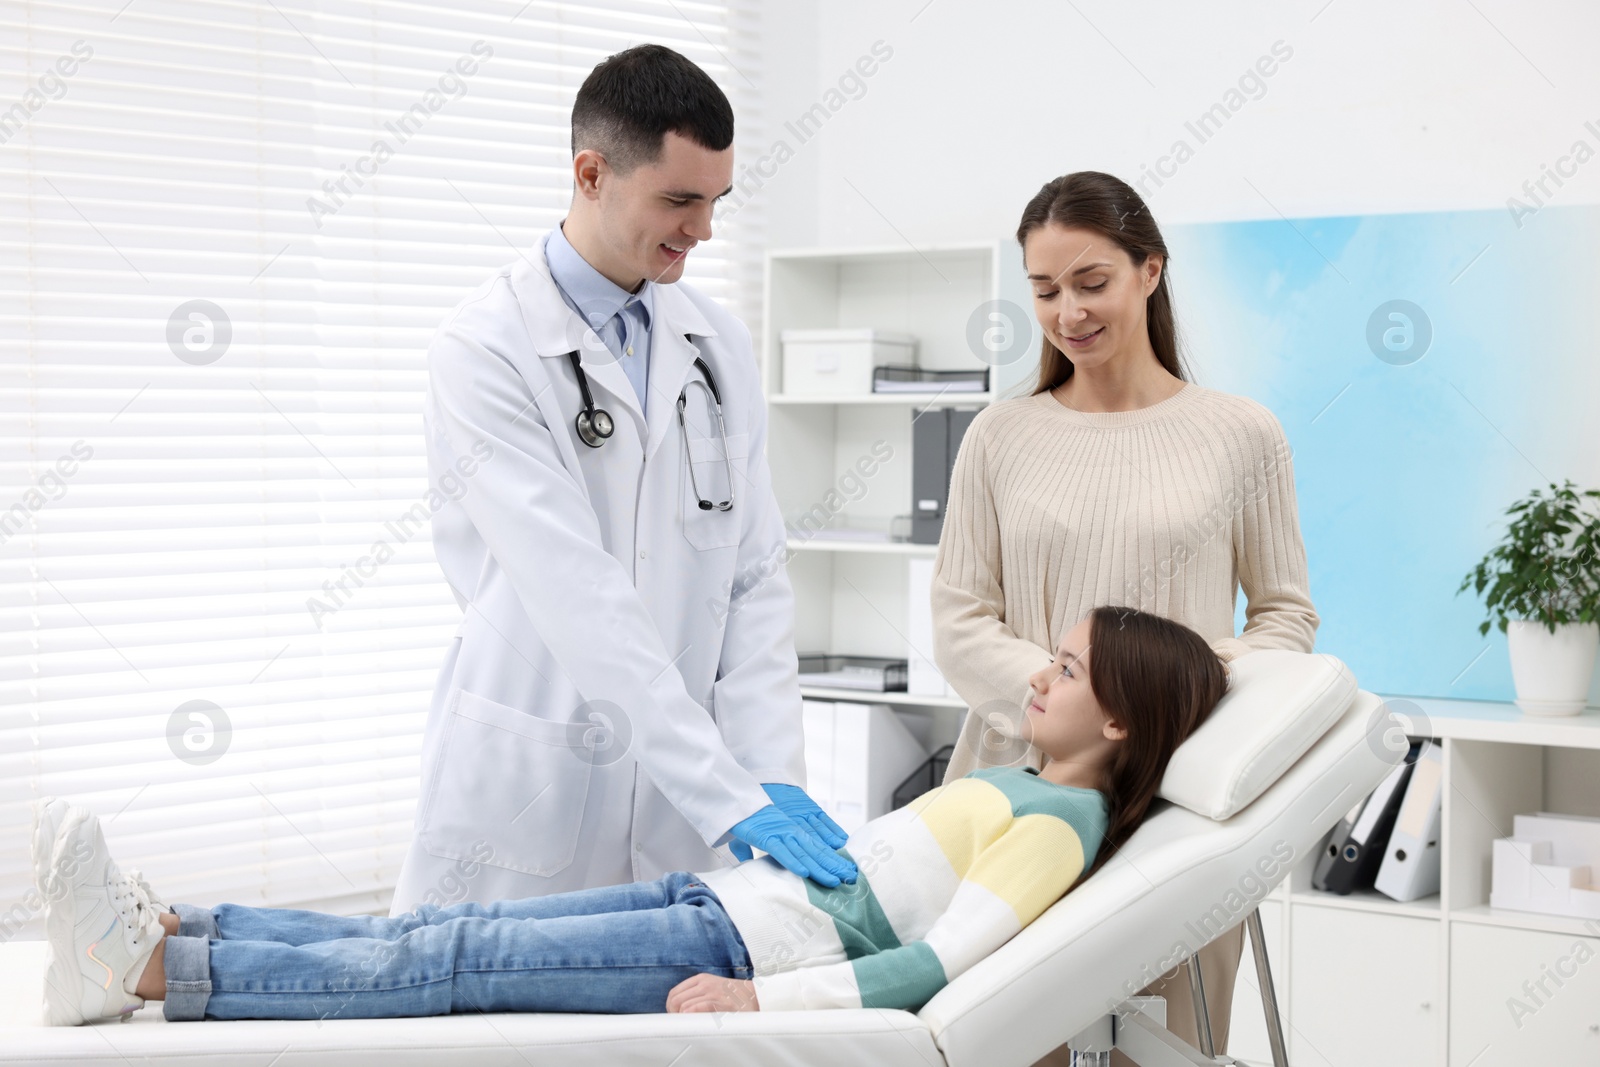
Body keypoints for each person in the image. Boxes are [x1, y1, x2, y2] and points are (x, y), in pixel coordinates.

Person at [35, 606, 1225, 1026]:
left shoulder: (1060, 824)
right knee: (438, 935)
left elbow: (933, 963)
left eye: (1065, 670)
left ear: (1121, 720)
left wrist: (768, 997)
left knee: (448, 952)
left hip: (740, 945)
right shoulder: (1031, 785)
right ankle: (176, 924)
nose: (1037, 674)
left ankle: (148, 970)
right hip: (722, 899)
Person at [390, 41, 855, 913]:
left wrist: (767, 775)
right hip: (533, 787)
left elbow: (753, 578)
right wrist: (725, 793)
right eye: (679, 200)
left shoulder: (718, 345)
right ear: (592, 173)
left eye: (716, 202)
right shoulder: (485, 348)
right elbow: (577, 594)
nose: (703, 231)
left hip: (690, 807)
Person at [929, 170, 1320, 1066]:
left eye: (1091, 281)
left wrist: (1179, 708)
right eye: (1044, 289)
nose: (1068, 311)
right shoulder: (1000, 434)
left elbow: (1284, 615)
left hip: (1175, 803)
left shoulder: (1242, 433)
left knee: (1169, 1044)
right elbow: (958, 616)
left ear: (1150, 270)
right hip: (1022, 788)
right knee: (1011, 1039)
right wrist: (1068, 705)